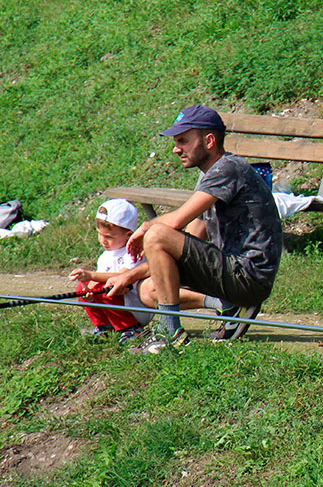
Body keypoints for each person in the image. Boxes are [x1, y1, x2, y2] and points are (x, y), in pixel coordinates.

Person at [109, 105, 283, 354]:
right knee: (149, 290)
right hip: (231, 273)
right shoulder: (210, 176)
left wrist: (147, 226)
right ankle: (227, 306)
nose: (175, 148)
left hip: (248, 276)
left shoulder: (227, 169)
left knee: (157, 233)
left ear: (209, 140)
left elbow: (176, 222)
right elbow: (187, 240)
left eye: (183, 141)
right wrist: (132, 275)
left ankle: (170, 333)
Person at [68, 199, 152, 344]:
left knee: (108, 288)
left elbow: (123, 276)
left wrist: (91, 275)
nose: (102, 240)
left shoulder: (133, 253)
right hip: (115, 306)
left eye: (108, 237)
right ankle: (104, 326)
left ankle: (131, 328)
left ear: (128, 235)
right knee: (83, 289)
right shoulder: (105, 256)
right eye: (99, 234)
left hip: (135, 306)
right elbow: (95, 281)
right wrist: (88, 291)